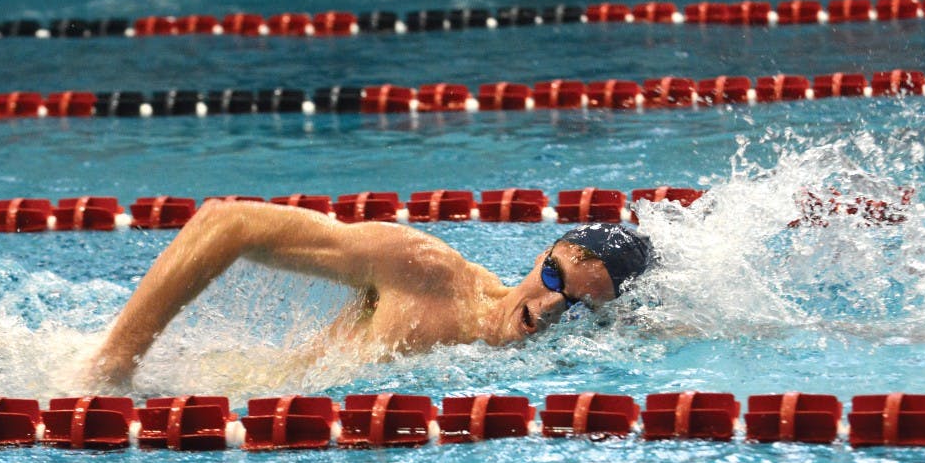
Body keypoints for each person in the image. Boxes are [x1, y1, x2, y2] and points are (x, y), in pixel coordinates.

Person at [91, 200, 651, 384]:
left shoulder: (570, 365)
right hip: (228, 401)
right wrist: (117, 361)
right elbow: (225, 222)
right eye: (552, 279)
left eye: (576, 305)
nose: (547, 308)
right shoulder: (429, 274)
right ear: (540, 257)